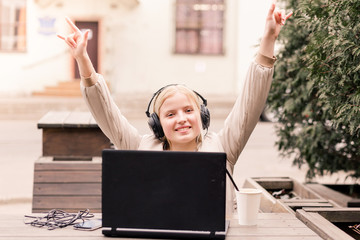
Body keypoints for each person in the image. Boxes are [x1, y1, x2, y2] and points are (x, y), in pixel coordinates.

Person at [58, 0, 292, 217]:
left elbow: (249, 104)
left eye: (189, 110)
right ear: (157, 124)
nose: (182, 118)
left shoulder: (223, 147)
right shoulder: (140, 147)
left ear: (202, 116)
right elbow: (105, 112)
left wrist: (269, 38)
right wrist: (83, 62)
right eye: (170, 114)